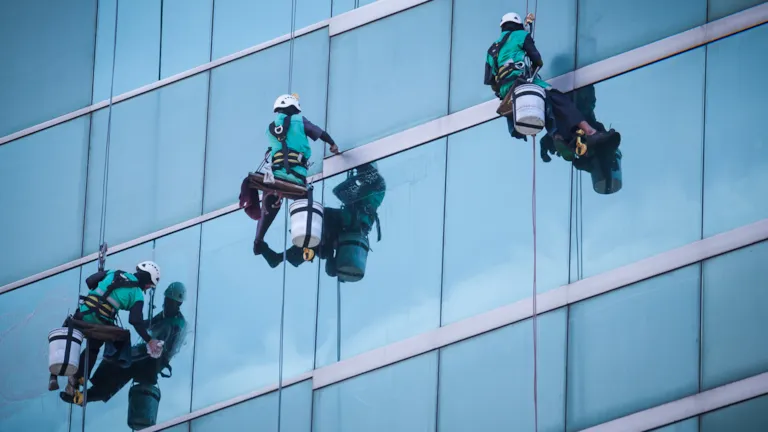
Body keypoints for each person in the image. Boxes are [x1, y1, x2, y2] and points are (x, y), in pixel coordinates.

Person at [484, 12, 619, 152]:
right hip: (521, 82)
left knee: (546, 103)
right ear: (518, 25)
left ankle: (559, 136)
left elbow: (491, 81)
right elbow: (537, 60)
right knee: (560, 100)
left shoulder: (491, 50)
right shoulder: (521, 35)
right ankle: (590, 133)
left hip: (507, 90)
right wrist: (530, 70)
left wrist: (504, 91)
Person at [55, 261, 163, 405]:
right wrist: (149, 340)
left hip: (81, 315)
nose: (148, 288)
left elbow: (89, 281)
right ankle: (81, 377)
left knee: (80, 343)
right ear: (147, 279)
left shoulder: (114, 272)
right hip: (99, 323)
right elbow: (135, 320)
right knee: (99, 345)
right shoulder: (137, 294)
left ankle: (72, 378)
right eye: (150, 284)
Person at [257, 162, 385, 280]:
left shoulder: (376, 187)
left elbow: (342, 191)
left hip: (348, 224)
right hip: (348, 225)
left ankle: (281, 258)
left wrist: (350, 167)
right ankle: (281, 258)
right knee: (317, 233)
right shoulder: (372, 193)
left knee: (316, 228)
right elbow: (344, 192)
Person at [253, 94, 340, 255]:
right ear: (293, 108)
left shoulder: (270, 128)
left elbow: (278, 148)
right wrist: (333, 144)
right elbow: (320, 133)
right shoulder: (299, 121)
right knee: (307, 205)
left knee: (270, 201)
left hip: (275, 178)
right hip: (296, 179)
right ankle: (310, 240)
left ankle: (259, 239)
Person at [83, 282, 188, 404]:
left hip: (153, 360)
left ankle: (92, 393)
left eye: (170, 302)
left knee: (120, 358)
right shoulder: (166, 315)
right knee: (119, 362)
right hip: (149, 356)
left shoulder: (177, 324)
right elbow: (149, 323)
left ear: (179, 304)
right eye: (166, 300)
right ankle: (92, 393)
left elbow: (166, 347)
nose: (166, 304)